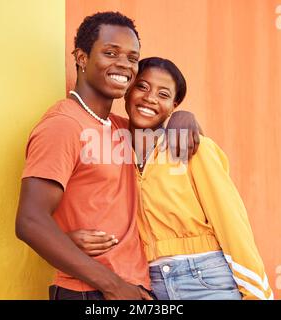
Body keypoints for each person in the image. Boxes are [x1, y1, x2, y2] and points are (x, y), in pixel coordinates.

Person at [15, 12, 200, 300]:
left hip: (135, 287)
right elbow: (30, 220)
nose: (124, 65)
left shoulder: (121, 128)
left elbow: (163, 130)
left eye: (131, 58)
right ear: (82, 57)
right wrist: (114, 286)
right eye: (111, 53)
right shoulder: (63, 125)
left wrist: (184, 115)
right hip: (92, 291)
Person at [69, 57, 274, 300]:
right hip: (150, 285)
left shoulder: (193, 148)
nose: (150, 98)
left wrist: (257, 293)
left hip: (207, 279)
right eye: (142, 87)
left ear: (174, 105)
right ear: (127, 92)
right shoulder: (113, 149)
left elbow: (231, 221)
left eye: (163, 94)